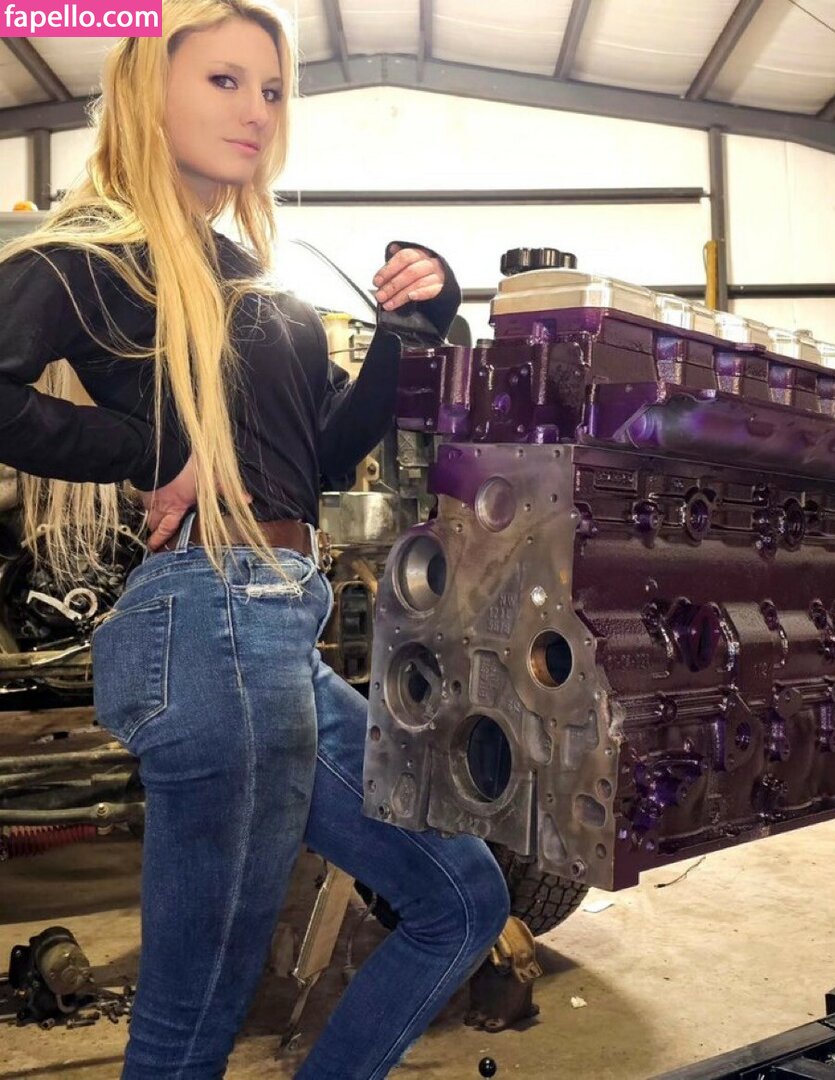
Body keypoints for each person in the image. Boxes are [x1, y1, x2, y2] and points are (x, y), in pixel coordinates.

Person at [0, 2, 510, 1077]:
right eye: (224, 81)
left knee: (462, 897)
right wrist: (142, 449)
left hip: (274, 625)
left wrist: (405, 339)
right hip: (210, 619)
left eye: (272, 90)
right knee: (191, 1028)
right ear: (149, 89)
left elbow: (319, 454)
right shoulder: (102, 251)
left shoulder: (245, 271)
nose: (257, 111)